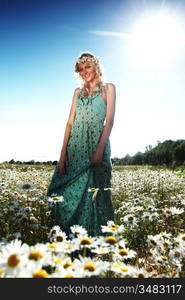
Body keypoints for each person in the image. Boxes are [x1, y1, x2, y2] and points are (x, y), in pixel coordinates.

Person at [47, 52, 116, 237]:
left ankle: (98, 242)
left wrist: (99, 152)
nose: (84, 71)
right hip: (75, 148)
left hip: (96, 146)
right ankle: (69, 238)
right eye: (81, 69)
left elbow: (109, 122)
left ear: (96, 67)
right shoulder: (77, 93)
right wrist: (62, 155)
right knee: (63, 191)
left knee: (97, 195)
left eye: (88, 67)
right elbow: (69, 122)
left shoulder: (109, 89)